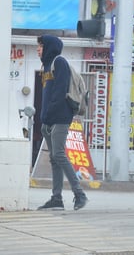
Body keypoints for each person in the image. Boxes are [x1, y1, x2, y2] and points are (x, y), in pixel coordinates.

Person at [36, 35, 88, 211]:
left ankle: (79, 194)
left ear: (49, 47)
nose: (38, 49)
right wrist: (44, 119)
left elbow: (59, 93)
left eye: (41, 46)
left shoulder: (60, 62)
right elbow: (47, 95)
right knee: (54, 159)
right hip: (48, 120)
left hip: (60, 117)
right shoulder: (46, 66)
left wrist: (49, 115)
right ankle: (56, 198)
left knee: (58, 154)